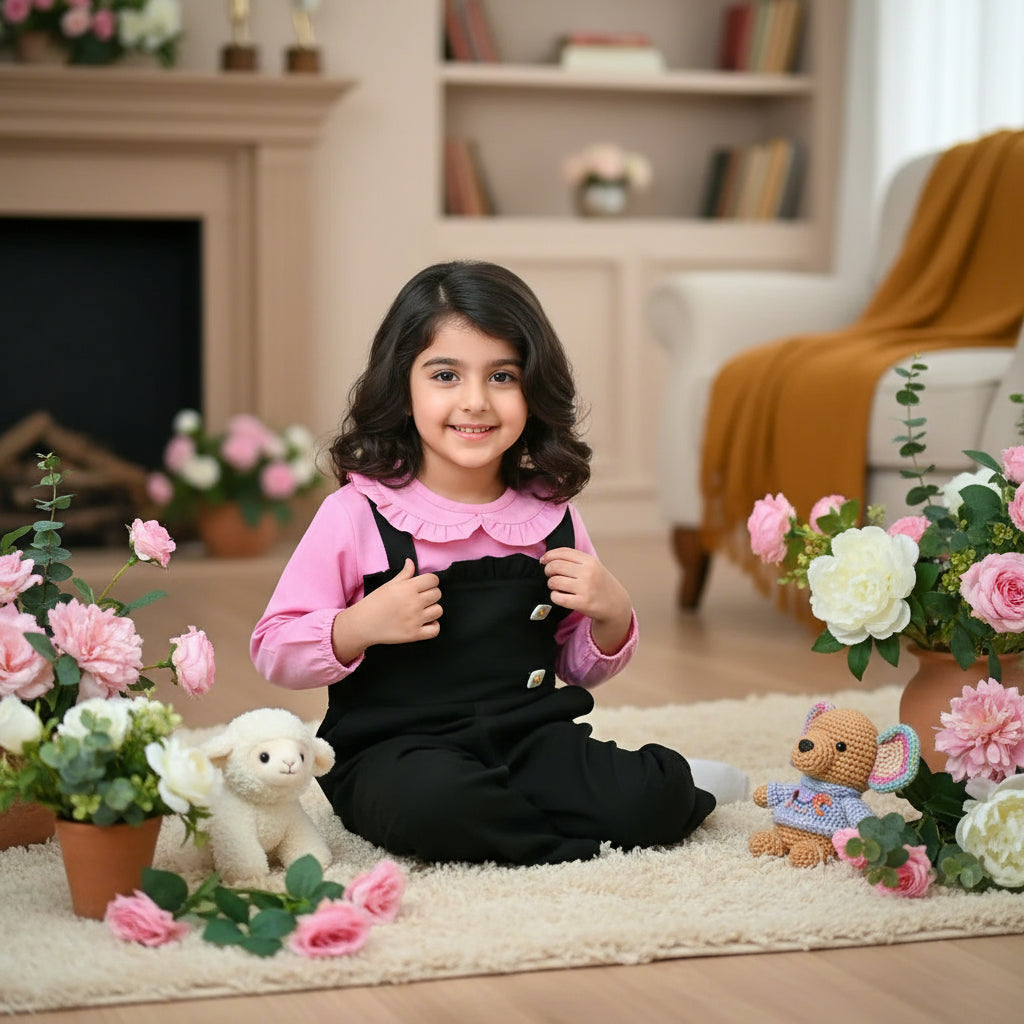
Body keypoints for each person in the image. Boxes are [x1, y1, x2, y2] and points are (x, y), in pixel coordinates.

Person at [251, 261, 747, 866]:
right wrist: (357, 626)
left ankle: (664, 785)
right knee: (437, 807)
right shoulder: (357, 513)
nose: (475, 401)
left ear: (533, 390)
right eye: (445, 375)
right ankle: (569, 832)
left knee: (651, 799)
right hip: (394, 752)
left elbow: (576, 667)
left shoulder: (551, 515)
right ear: (402, 388)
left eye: (502, 376)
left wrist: (613, 614)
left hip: (530, 738)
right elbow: (273, 648)